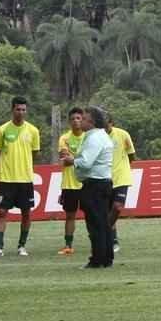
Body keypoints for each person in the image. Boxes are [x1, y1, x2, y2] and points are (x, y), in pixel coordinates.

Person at [0, 97, 41, 257]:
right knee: (2, 213)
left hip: (25, 179)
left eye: (23, 109)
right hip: (6, 179)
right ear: (12, 110)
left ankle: (22, 246)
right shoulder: (2, 130)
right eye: (18, 109)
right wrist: (5, 168)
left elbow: (35, 154)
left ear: (26, 111)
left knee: (26, 213)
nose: (21, 112)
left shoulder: (33, 131)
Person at [65, 106, 113, 269]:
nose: (80, 122)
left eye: (84, 118)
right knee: (103, 222)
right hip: (102, 183)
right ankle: (106, 258)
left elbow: (86, 162)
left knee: (95, 224)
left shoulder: (94, 138)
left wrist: (72, 160)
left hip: (95, 185)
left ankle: (97, 259)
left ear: (91, 121)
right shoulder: (102, 136)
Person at [57, 108, 86, 256]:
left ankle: (97, 242)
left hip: (87, 183)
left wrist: (73, 157)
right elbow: (65, 161)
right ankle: (68, 245)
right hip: (69, 184)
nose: (76, 121)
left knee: (92, 215)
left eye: (79, 118)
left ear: (83, 120)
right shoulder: (64, 138)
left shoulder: (88, 137)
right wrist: (81, 159)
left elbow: (87, 160)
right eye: (73, 118)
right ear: (69, 121)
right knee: (70, 216)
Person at [105, 116, 136, 253]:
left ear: (111, 122)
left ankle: (104, 233)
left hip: (121, 178)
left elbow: (131, 156)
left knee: (117, 207)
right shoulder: (96, 137)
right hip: (104, 178)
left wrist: (123, 169)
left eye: (106, 122)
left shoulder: (123, 135)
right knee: (107, 211)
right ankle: (112, 239)